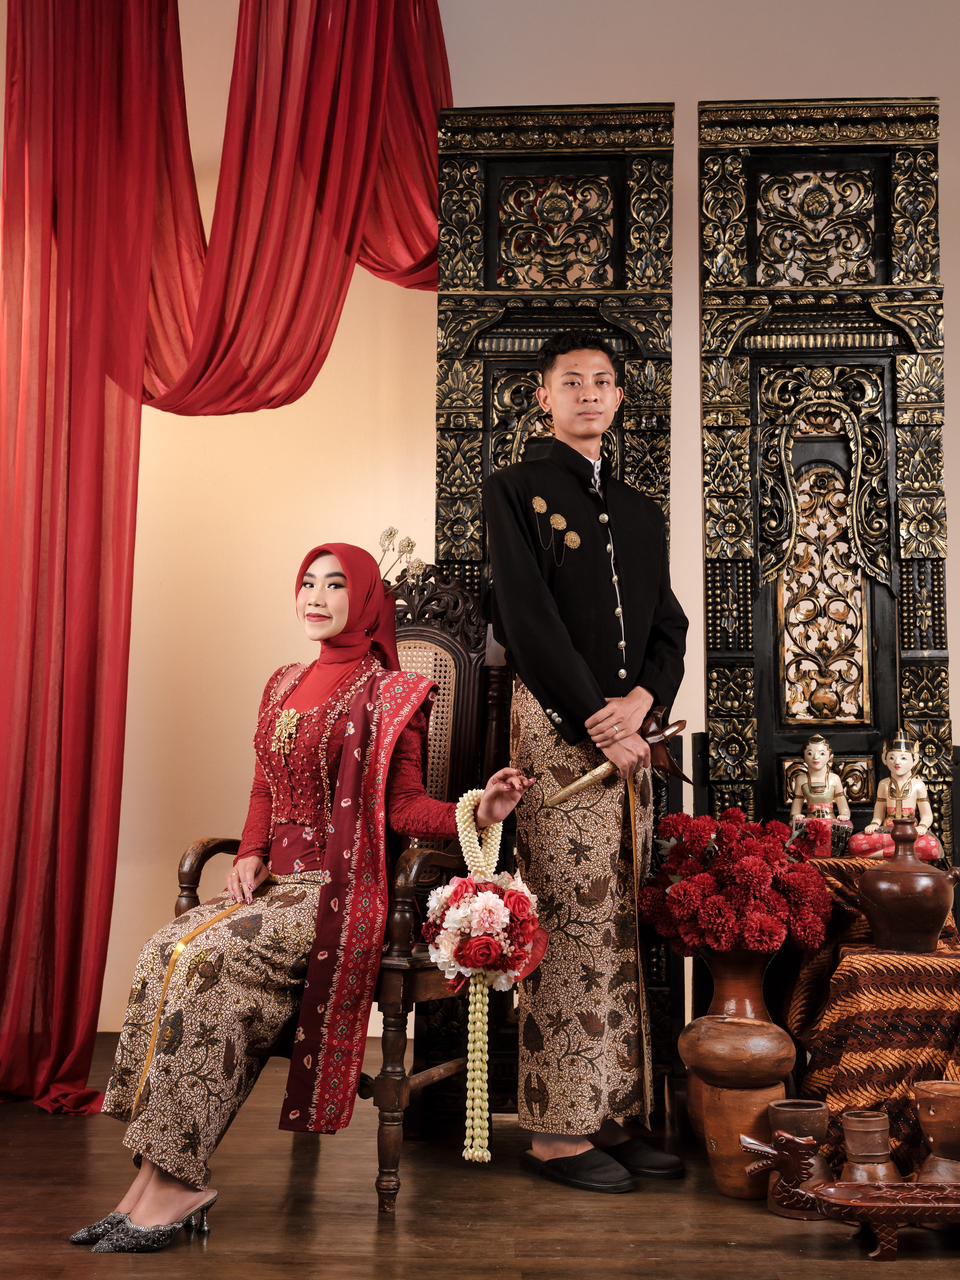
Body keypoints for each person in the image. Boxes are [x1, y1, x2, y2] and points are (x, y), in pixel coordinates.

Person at [75, 542, 531, 1252]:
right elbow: (265, 783)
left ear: (366, 598)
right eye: (307, 583)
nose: (316, 596)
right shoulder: (283, 682)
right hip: (274, 889)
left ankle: (173, 1185)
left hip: (338, 892)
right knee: (167, 949)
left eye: (335, 584)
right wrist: (250, 852)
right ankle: (153, 1182)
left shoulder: (394, 695)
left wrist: (478, 810)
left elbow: (404, 806)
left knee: (207, 961)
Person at [484, 330, 688, 1194]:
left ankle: (611, 1113)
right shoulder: (513, 490)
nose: (590, 394)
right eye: (572, 382)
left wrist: (641, 703)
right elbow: (525, 619)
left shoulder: (639, 511)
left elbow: (669, 625)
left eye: (603, 382)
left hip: (630, 738)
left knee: (620, 923)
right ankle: (557, 1130)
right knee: (567, 919)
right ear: (545, 397)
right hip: (557, 731)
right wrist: (598, 719)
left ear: (619, 398)